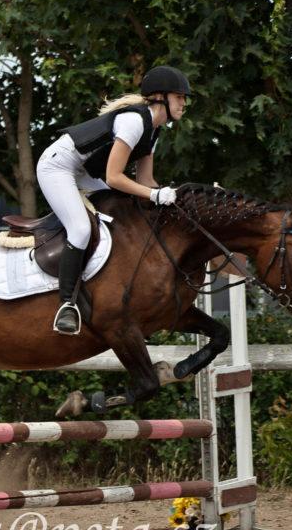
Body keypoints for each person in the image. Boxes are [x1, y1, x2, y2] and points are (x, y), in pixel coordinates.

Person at [36, 65, 191, 335]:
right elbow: (114, 177)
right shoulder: (133, 122)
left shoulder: (153, 131)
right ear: (160, 97)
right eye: (179, 97)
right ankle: (66, 305)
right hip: (58, 167)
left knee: (123, 213)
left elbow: (145, 181)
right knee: (80, 229)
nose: (184, 103)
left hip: (84, 172)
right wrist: (155, 194)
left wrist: (173, 199)